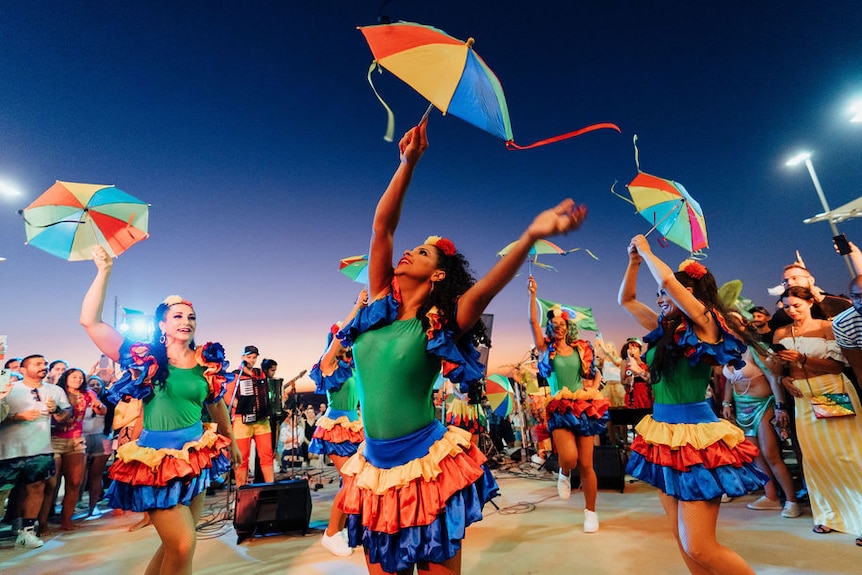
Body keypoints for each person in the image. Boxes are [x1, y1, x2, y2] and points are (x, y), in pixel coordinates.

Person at [333, 120, 585, 574]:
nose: (407, 253)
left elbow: (485, 291)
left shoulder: (440, 323)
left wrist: (530, 236)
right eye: (410, 250)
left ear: (437, 276)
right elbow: (381, 228)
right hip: (373, 467)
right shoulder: (376, 304)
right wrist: (408, 164)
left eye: (422, 255)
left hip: (426, 464)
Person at [81, 246, 241, 575]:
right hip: (155, 462)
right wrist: (104, 271)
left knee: (175, 547)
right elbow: (90, 322)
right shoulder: (145, 358)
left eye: (191, 316)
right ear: (163, 323)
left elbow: (216, 403)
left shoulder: (205, 361)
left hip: (195, 456)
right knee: (183, 545)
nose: (187, 321)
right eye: (178, 316)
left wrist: (231, 439)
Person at [619, 235, 768, 575]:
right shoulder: (663, 330)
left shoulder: (706, 324)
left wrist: (647, 249)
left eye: (666, 295)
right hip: (663, 434)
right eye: (659, 295)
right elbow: (625, 298)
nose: (660, 298)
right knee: (681, 539)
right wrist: (634, 262)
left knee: (699, 545)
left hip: (697, 437)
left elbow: (669, 281)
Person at [773, 285, 862, 546]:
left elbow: (837, 365)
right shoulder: (780, 332)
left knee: (848, 454)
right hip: (802, 397)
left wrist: (802, 358)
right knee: (814, 456)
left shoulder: (827, 327)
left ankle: (859, 516)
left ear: (811, 302)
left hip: (830, 390)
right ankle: (827, 514)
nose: (792, 311)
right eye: (787, 306)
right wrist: (786, 376)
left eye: (797, 306)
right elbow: (779, 367)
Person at [527, 275, 607, 533]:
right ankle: (563, 471)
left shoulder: (580, 348)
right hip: (558, 407)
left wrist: (595, 385)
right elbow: (532, 322)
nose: (558, 328)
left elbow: (593, 375)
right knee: (570, 458)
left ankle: (591, 512)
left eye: (562, 324)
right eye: (554, 324)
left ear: (567, 327)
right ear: (549, 327)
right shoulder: (544, 349)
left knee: (586, 465)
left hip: (582, 406)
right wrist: (532, 295)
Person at [309, 291, 368, 557]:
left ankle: (348, 528)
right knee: (350, 481)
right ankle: (331, 532)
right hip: (335, 428)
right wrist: (357, 306)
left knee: (360, 481)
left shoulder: (352, 366)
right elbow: (340, 336)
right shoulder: (328, 365)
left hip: (356, 427)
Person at [720, 341, 800, 518]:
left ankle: (791, 500)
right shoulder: (727, 350)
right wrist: (726, 402)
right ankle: (770, 496)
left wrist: (780, 406)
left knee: (771, 454)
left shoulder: (755, 348)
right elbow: (729, 381)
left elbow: (773, 377)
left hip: (763, 406)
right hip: (741, 408)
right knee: (756, 455)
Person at [0, 354, 71, 548]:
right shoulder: (9, 389)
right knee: (3, 493)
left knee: (37, 487)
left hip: (40, 448)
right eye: (37, 364)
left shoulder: (55, 390)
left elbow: (65, 416)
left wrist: (56, 409)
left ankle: (27, 532)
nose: (43, 366)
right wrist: (16, 417)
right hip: (8, 450)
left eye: (45, 364)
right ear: (23, 369)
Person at [38, 367, 106, 532]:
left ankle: (66, 520)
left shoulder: (87, 394)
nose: (78, 380)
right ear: (66, 378)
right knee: (51, 485)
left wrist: (98, 406)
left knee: (75, 483)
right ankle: (42, 524)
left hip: (76, 441)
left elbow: (103, 411)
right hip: (54, 440)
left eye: (80, 377)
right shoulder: (57, 392)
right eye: (74, 377)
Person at [225, 345, 275, 486]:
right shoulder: (235, 375)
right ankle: (241, 490)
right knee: (242, 456)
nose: (252, 360)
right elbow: (228, 397)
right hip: (242, 420)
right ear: (242, 357)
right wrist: (243, 407)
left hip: (262, 420)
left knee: (266, 454)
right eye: (249, 357)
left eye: (254, 357)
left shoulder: (261, 374)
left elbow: (269, 390)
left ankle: (270, 486)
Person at [82, 374, 113, 516]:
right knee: (80, 475)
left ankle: (93, 506)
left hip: (103, 438)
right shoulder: (80, 399)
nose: (95, 387)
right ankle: (76, 502)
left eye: (98, 384)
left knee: (96, 474)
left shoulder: (109, 400)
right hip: (82, 439)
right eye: (92, 384)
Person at [621, 338, 652, 409]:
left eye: (634, 348)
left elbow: (651, 380)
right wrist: (627, 380)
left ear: (639, 351)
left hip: (644, 394)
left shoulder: (646, 363)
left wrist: (639, 372)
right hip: (631, 394)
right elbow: (622, 381)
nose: (632, 350)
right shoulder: (625, 363)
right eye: (630, 349)